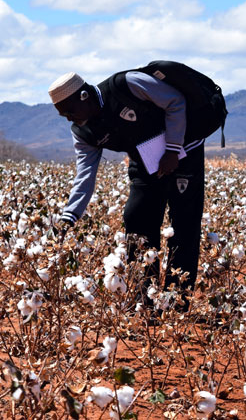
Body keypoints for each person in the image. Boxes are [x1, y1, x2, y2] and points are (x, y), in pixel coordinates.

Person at [48, 69, 205, 312]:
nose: (68, 118)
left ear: (83, 96)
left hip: (185, 151)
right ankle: (145, 299)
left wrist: (173, 150)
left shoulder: (128, 84)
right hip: (145, 160)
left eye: (69, 111)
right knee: (136, 219)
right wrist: (69, 215)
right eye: (62, 115)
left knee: (183, 224)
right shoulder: (83, 133)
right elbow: (85, 175)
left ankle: (177, 302)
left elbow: (175, 102)